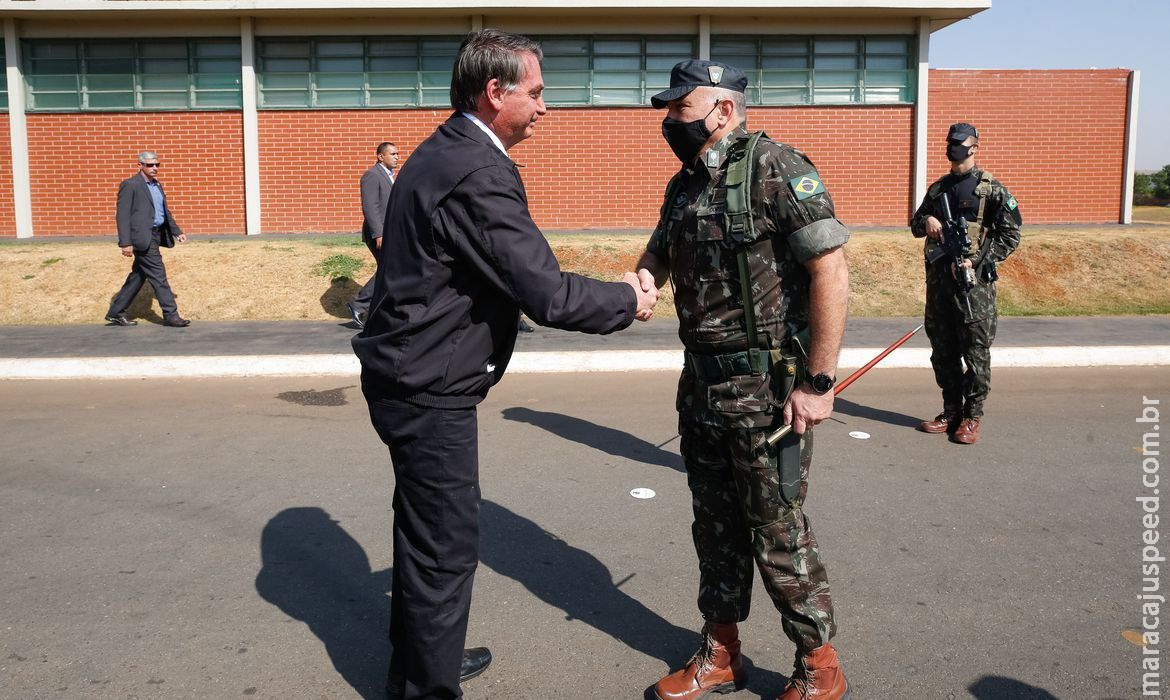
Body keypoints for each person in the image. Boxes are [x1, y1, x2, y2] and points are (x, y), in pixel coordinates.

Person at [351, 29, 657, 700]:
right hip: (428, 387)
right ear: (496, 92)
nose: (545, 107)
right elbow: (546, 293)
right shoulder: (477, 171)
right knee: (445, 547)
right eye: (537, 92)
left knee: (423, 536)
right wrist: (627, 299)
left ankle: (423, 663)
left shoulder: (443, 150)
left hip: (408, 373)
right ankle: (429, 687)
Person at [634, 59, 851, 700]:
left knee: (777, 531)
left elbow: (830, 270)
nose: (671, 121)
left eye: (681, 108)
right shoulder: (684, 185)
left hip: (766, 393)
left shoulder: (777, 169)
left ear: (722, 110)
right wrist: (645, 277)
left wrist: (818, 381)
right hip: (700, 388)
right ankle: (722, 649)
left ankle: (819, 664)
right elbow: (659, 250)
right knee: (714, 527)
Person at [910, 123, 1021, 445]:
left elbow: (1010, 235)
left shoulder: (992, 191)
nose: (953, 147)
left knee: (975, 354)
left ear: (975, 147)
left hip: (974, 289)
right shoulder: (938, 189)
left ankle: (972, 417)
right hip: (939, 287)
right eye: (950, 142)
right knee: (942, 353)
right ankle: (951, 412)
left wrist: (976, 261)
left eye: (959, 142)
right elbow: (915, 224)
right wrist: (927, 221)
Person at [104, 151, 190, 327]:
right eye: (150, 165)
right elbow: (122, 216)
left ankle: (115, 313)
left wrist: (176, 230)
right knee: (159, 276)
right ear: (140, 165)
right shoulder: (130, 185)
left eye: (157, 164)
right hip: (142, 237)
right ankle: (171, 315)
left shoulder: (157, 185)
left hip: (156, 235)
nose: (155, 168)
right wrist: (125, 243)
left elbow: (164, 211)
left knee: (138, 276)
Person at [348, 141, 399, 329]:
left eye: (397, 154)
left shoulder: (389, 176)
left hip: (389, 232)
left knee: (391, 270)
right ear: (380, 156)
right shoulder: (372, 175)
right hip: (378, 233)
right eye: (393, 154)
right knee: (389, 269)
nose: (397, 157)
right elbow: (370, 207)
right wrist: (379, 234)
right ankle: (358, 304)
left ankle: (377, 310)